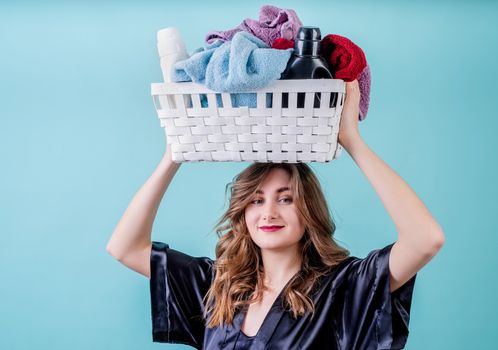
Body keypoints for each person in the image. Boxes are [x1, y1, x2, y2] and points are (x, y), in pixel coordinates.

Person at [106, 80, 445, 349]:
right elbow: (125, 247)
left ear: (308, 209)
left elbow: (425, 239)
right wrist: (174, 154)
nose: (267, 212)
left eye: (285, 199)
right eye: (255, 200)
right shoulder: (218, 286)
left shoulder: (343, 289)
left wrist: (351, 140)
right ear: (242, 213)